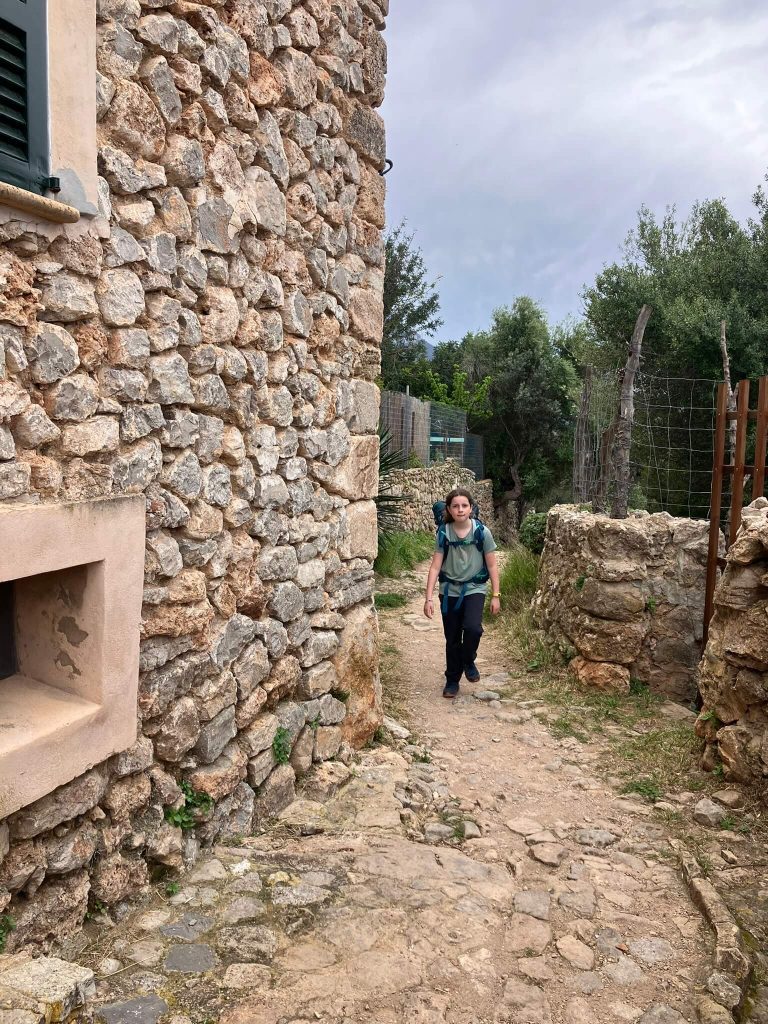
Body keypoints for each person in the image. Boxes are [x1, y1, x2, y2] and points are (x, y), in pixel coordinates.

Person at [423, 488, 501, 698]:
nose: (460, 510)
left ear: (471, 508)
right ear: (448, 509)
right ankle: (452, 680)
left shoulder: (482, 532)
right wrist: (428, 597)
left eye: (464, 505)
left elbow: (492, 566)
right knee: (453, 637)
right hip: (449, 592)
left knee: (473, 629)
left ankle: (468, 659)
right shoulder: (443, 533)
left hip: (475, 588)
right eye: (455, 506)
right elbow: (435, 567)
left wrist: (496, 595)